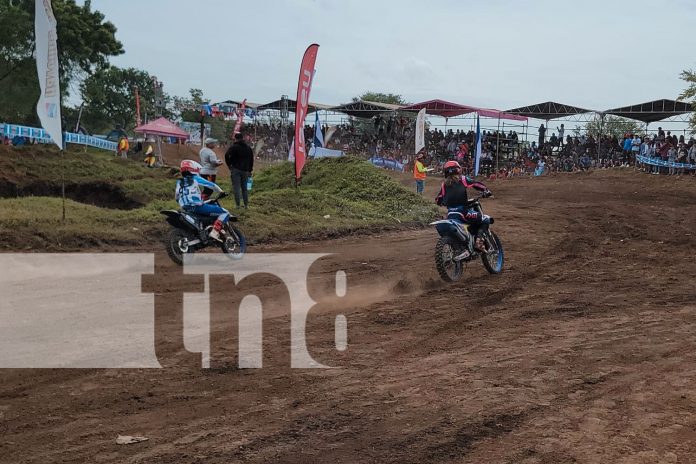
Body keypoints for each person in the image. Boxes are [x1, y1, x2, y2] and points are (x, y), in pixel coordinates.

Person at [435, 160, 492, 253]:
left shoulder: (444, 185)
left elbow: (438, 199)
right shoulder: (463, 179)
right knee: (484, 219)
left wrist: (443, 202)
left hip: (451, 214)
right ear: (458, 170)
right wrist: (486, 190)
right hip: (463, 212)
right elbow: (476, 184)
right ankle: (478, 242)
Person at [175, 160, 229, 241]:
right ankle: (215, 231)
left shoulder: (179, 182)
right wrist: (221, 192)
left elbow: (176, 197)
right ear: (193, 169)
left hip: (185, 208)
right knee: (225, 212)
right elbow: (212, 185)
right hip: (196, 206)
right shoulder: (195, 178)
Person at [225, 132, 254, 208]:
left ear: (235, 139)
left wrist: (229, 165)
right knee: (244, 188)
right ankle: (246, 205)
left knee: (237, 188)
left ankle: (238, 205)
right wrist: (250, 170)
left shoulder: (234, 147)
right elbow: (251, 160)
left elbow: (226, 155)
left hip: (236, 169)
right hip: (245, 170)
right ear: (243, 138)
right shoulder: (248, 148)